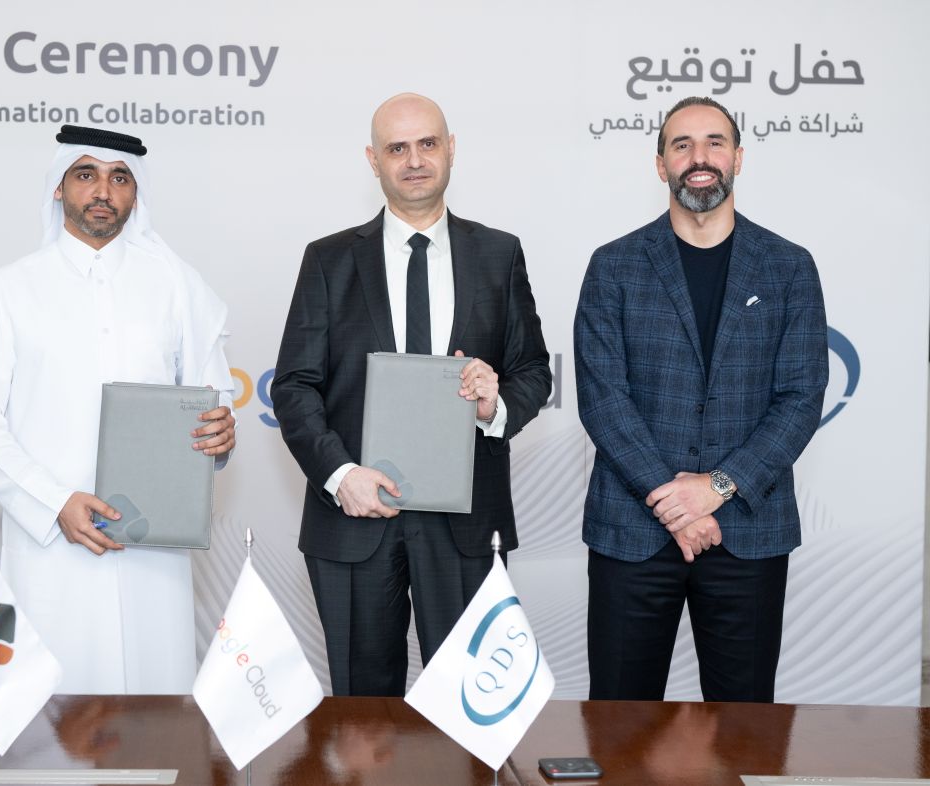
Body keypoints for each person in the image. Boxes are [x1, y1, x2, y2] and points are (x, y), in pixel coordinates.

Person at [271, 93, 552, 696]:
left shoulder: (498, 253)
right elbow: (294, 386)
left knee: (470, 707)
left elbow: (533, 370)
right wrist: (341, 475)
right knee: (364, 719)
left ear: (451, 149)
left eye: (427, 143)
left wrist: (495, 405)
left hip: (466, 522)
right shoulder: (327, 259)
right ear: (373, 160)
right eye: (397, 148)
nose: (415, 160)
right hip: (354, 517)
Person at [0, 125, 236, 694]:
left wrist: (220, 434)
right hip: (52, 550)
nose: (103, 190)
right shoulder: (6, 291)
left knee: (158, 716)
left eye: (119, 178)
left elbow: (212, 398)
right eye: (87, 175)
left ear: (136, 192)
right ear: (59, 188)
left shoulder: (178, 287)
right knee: (56, 720)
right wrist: (55, 502)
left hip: (153, 547)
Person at [574, 96, 829, 702]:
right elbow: (603, 398)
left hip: (747, 531)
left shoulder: (789, 267)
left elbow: (800, 397)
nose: (699, 157)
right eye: (681, 145)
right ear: (660, 164)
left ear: (738, 157)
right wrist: (676, 504)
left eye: (715, 142)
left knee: (745, 728)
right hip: (632, 532)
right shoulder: (613, 266)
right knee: (619, 727)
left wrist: (715, 488)